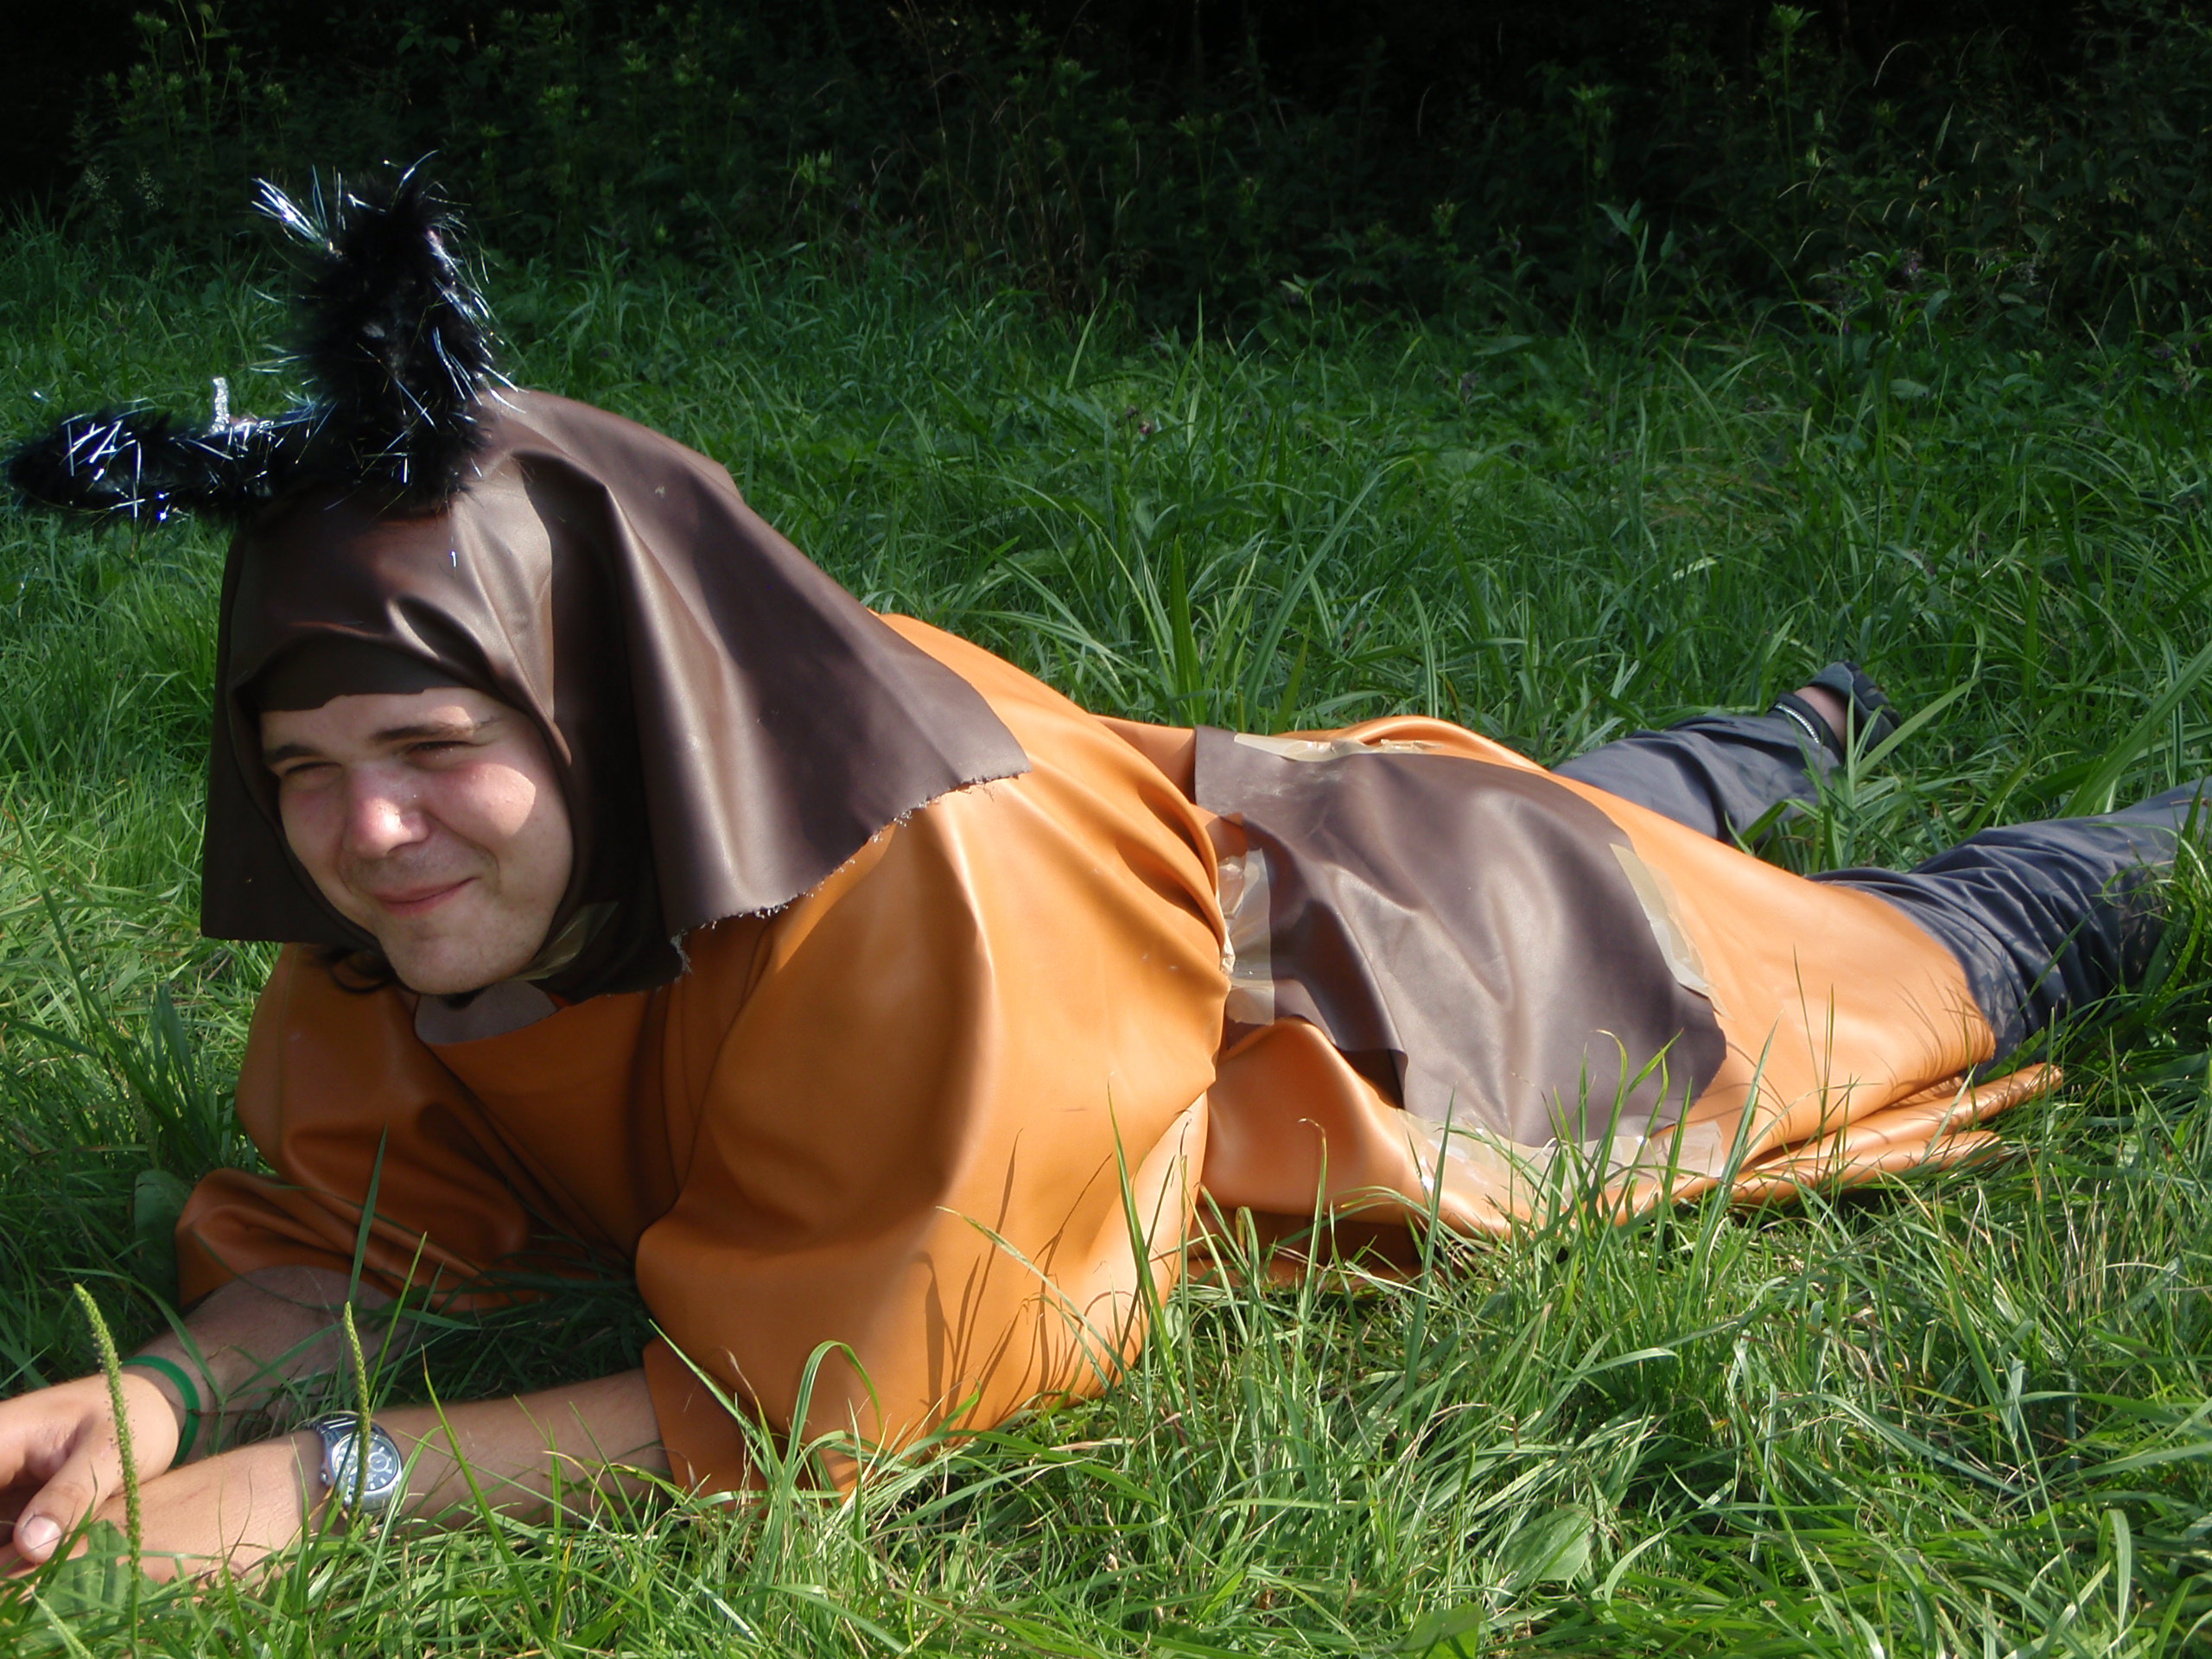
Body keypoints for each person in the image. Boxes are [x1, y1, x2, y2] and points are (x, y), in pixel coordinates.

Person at [0, 176, 2199, 1580]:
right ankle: (1784, 725)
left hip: (1410, 997)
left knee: (1917, 946)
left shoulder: (914, 903)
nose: (365, 836)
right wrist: (159, 1392)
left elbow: (821, 1392)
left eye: (432, 749)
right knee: (1550, 795)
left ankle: (1984, 803)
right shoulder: (406, 900)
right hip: (1254, 822)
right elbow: (377, 1240)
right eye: (304, 771)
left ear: (613, 716)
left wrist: (318, 1482)